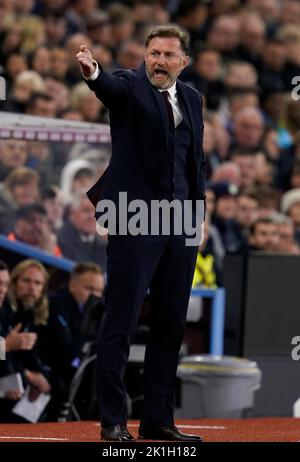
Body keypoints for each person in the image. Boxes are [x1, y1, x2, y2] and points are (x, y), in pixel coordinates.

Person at [76, 24, 206, 442]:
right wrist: (93, 72)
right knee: (122, 320)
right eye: (153, 53)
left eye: (168, 55)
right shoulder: (130, 86)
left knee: (170, 325)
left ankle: (158, 420)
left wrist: (197, 218)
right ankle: (113, 420)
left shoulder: (193, 99)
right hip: (135, 220)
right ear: (144, 56)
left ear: (183, 62)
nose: (160, 61)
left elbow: (194, 163)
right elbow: (108, 88)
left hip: (181, 224)